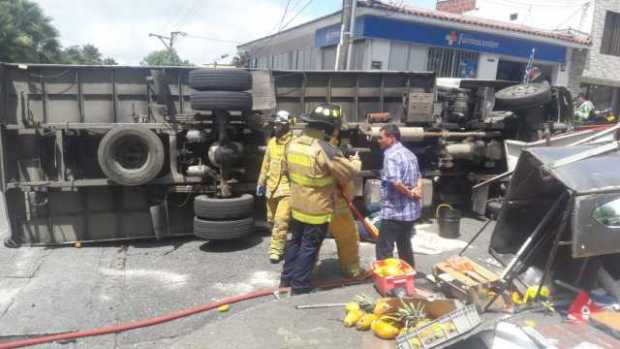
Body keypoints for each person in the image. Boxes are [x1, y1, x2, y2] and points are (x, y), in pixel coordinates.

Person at [279, 104, 359, 294]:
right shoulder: (325, 149)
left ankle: (286, 280)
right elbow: (347, 174)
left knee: (295, 243)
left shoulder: (293, 143)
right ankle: (300, 286)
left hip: (297, 206)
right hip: (317, 210)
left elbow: (285, 171)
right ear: (328, 128)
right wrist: (355, 161)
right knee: (309, 248)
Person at [375, 123, 422, 268]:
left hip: (394, 212)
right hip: (410, 213)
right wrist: (418, 190)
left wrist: (410, 193)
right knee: (404, 244)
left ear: (392, 138)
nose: (378, 141)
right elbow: (420, 175)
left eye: (381, 138)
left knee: (384, 249)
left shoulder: (391, 156)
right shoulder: (410, 153)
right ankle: (409, 273)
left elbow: (396, 183)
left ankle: (388, 280)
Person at [256, 110, 293, 263]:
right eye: (275, 125)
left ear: (287, 126)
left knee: (281, 220)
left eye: (279, 125)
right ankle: (280, 241)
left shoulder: (294, 143)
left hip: (287, 189)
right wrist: (261, 182)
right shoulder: (272, 143)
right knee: (271, 220)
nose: (276, 127)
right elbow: (266, 165)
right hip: (271, 188)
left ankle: (276, 249)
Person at [328, 127, 364, 278]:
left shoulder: (311, 150)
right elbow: (347, 176)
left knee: (311, 242)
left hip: (315, 205)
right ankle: (352, 271)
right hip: (337, 206)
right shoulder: (332, 152)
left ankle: (305, 274)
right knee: (348, 238)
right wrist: (355, 161)